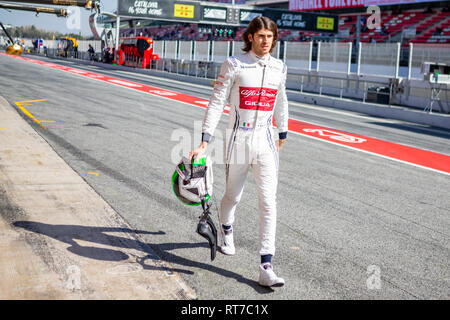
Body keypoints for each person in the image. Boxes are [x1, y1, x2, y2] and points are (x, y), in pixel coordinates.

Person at [189, 16, 288, 287]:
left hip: (266, 142)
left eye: (270, 36)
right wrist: (204, 142)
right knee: (233, 196)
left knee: (269, 202)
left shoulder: (280, 67)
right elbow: (215, 102)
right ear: (250, 38)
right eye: (261, 36)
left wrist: (283, 133)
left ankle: (266, 265)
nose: (265, 41)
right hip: (238, 140)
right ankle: (226, 229)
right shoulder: (234, 64)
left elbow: (282, 100)